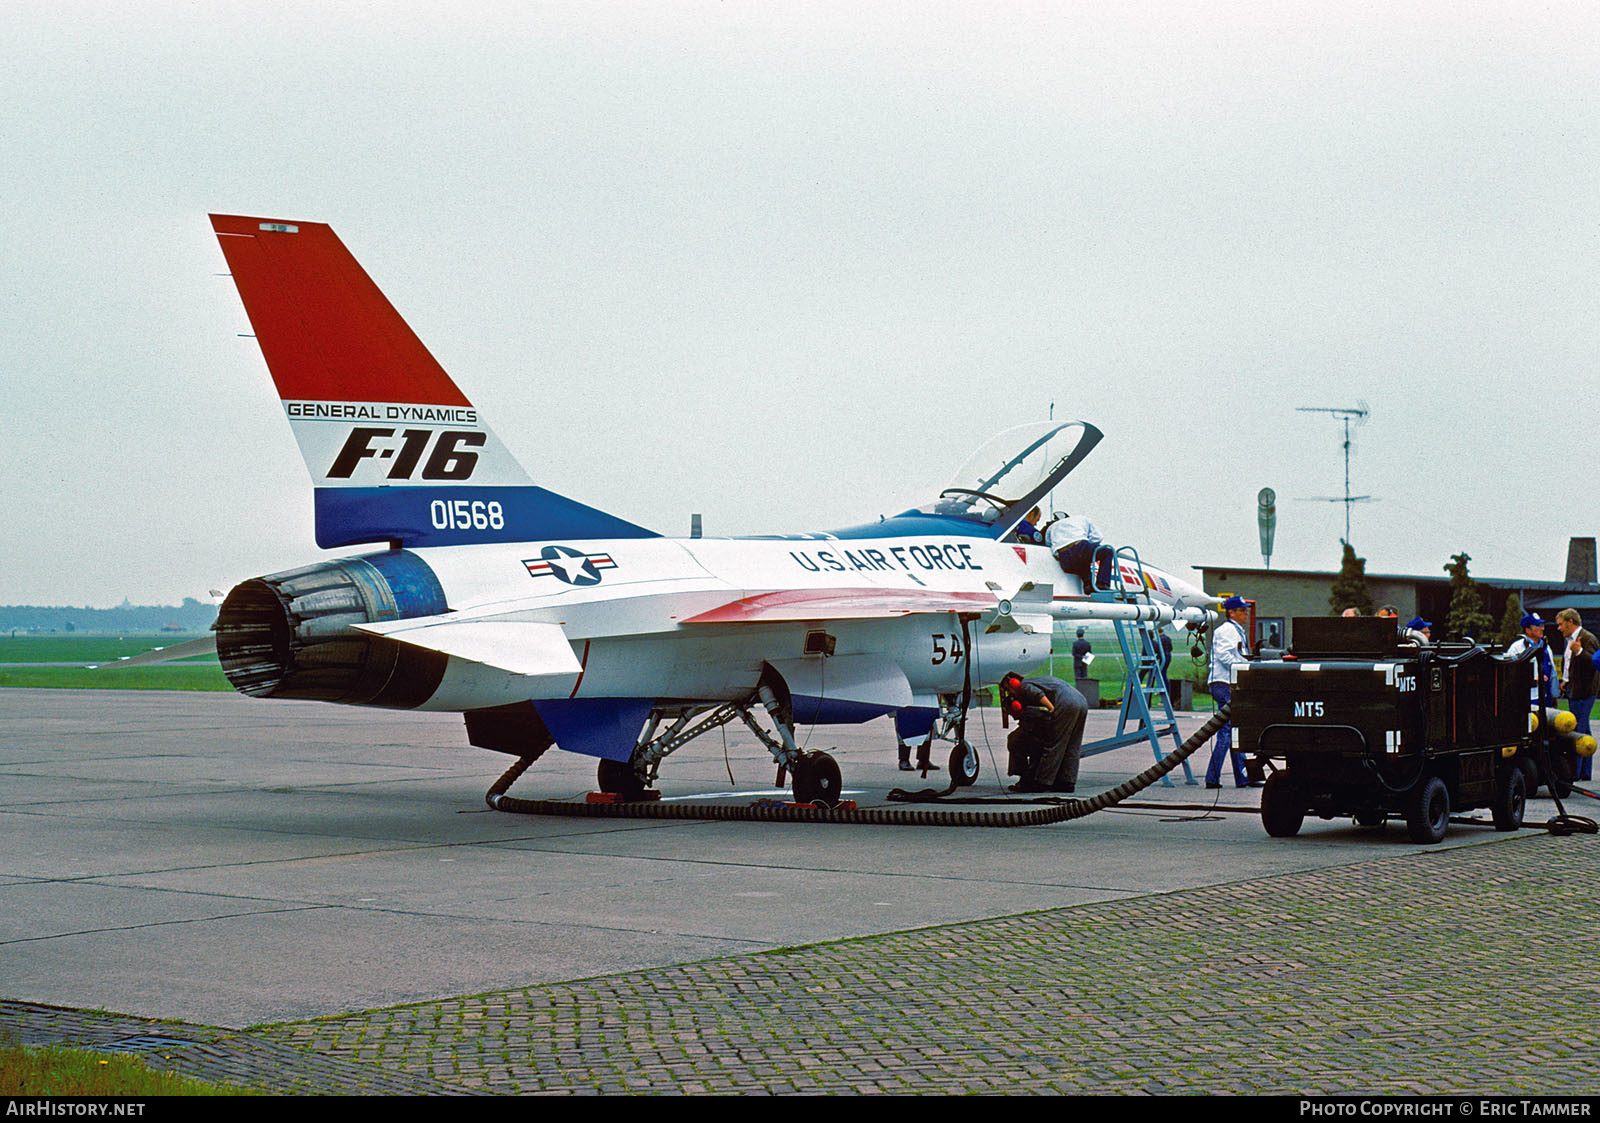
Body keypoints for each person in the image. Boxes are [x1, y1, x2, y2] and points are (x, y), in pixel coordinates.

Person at [998, 672, 1088, 794]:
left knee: (1054, 744)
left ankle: (1042, 782)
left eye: (1008, 690)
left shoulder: (1024, 686)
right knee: (1072, 744)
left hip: (1065, 703)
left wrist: (1051, 710)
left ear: (1013, 683)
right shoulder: (1036, 681)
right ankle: (1067, 782)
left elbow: (1039, 695)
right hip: (1081, 700)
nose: (1010, 694)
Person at [1206, 595, 1252, 788]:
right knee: (1227, 731)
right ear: (1231, 612)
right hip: (1223, 683)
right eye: (1242, 610)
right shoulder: (1226, 631)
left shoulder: (1235, 630)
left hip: (1227, 683)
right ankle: (1212, 777)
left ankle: (1242, 777)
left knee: (1233, 731)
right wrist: (1246, 667)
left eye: (1246, 610)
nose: (1246, 614)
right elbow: (1225, 655)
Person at [1555, 608, 1597, 781]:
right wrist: (1566, 680)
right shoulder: (1570, 640)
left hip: (1585, 692)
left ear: (1570, 622)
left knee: (1578, 728)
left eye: (1560, 624)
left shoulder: (1587, 638)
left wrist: (1579, 651)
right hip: (1574, 689)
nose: (1558, 628)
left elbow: (1596, 663)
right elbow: (1571, 664)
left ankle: (1575, 772)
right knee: (1583, 729)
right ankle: (1584, 772)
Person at [1506, 613, 1556, 709]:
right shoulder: (1517, 648)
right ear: (1527, 630)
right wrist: (1532, 679)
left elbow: (1552, 673)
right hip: (1527, 697)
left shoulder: (1546, 647)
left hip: (1546, 696)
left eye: (1542, 625)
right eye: (1538, 626)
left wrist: (1555, 694)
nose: (1542, 629)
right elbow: (1510, 673)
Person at [1045, 513, 1106, 590]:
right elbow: (1098, 538)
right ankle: (1102, 584)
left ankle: (1088, 584)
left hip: (1064, 557)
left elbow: (1048, 543)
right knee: (1107, 551)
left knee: (1081, 562)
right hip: (1079, 547)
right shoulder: (1081, 519)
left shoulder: (1051, 527)